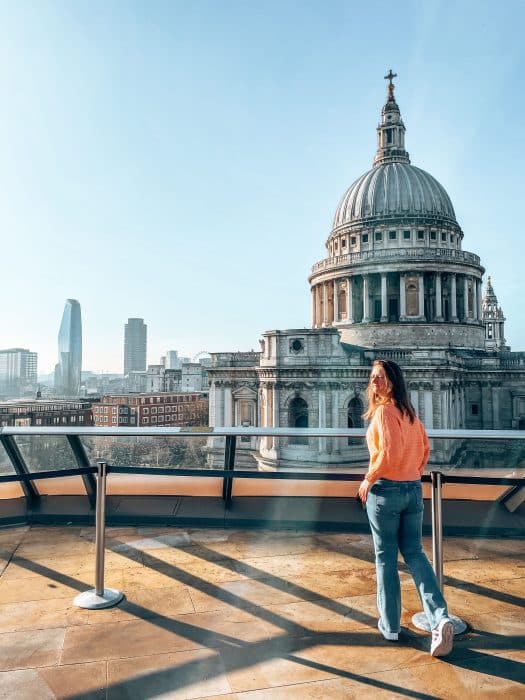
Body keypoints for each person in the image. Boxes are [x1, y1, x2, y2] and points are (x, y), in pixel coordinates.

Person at [358, 359, 454, 657]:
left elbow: (388, 453)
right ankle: (440, 618)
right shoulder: (410, 413)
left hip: (386, 491)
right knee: (415, 555)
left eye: (381, 378)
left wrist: (367, 480)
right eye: (373, 377)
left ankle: (389, 625)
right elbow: (424, 449)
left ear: (392, 382)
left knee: (386, 558)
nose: (375, 382)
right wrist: (412, 472)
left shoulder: (385, 411)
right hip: (413, 490)